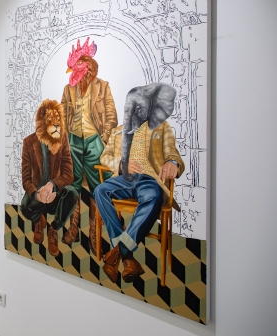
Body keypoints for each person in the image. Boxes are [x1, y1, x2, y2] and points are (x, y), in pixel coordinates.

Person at [93, 120, 184, 283]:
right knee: (100, 190)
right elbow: (104, 157)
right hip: (124, 179)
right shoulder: (118, 130)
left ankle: (118, 251)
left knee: (153, 197)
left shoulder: (162, 127)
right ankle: (126, 256)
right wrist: (122, 164)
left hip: (149, 180)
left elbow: (173, 154)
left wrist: (173, 163)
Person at [60, 37, 117, 249]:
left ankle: (94, 233)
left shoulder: (102, 87)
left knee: (97, 187)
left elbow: (111, 116)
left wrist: (103, 140)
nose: (71, 69)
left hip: (94, 141)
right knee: (72, 185)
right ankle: (73, 229)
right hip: (73, 142)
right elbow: (62, 115)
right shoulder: (68, 89)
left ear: (87, 66)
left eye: (76, 65)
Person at [20, 99, 77, 257]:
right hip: (38, 196)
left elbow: (68, 174)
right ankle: (38, 220)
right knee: (24, 206)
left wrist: (53, 184)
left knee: (72, 193)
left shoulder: (62, 139)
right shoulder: (29, 142)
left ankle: (54, 229)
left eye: (58, 119)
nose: (56, 124)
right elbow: (26, 179)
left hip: (55, 195)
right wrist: (36, 194)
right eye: (51, 119)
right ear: (41, 121)